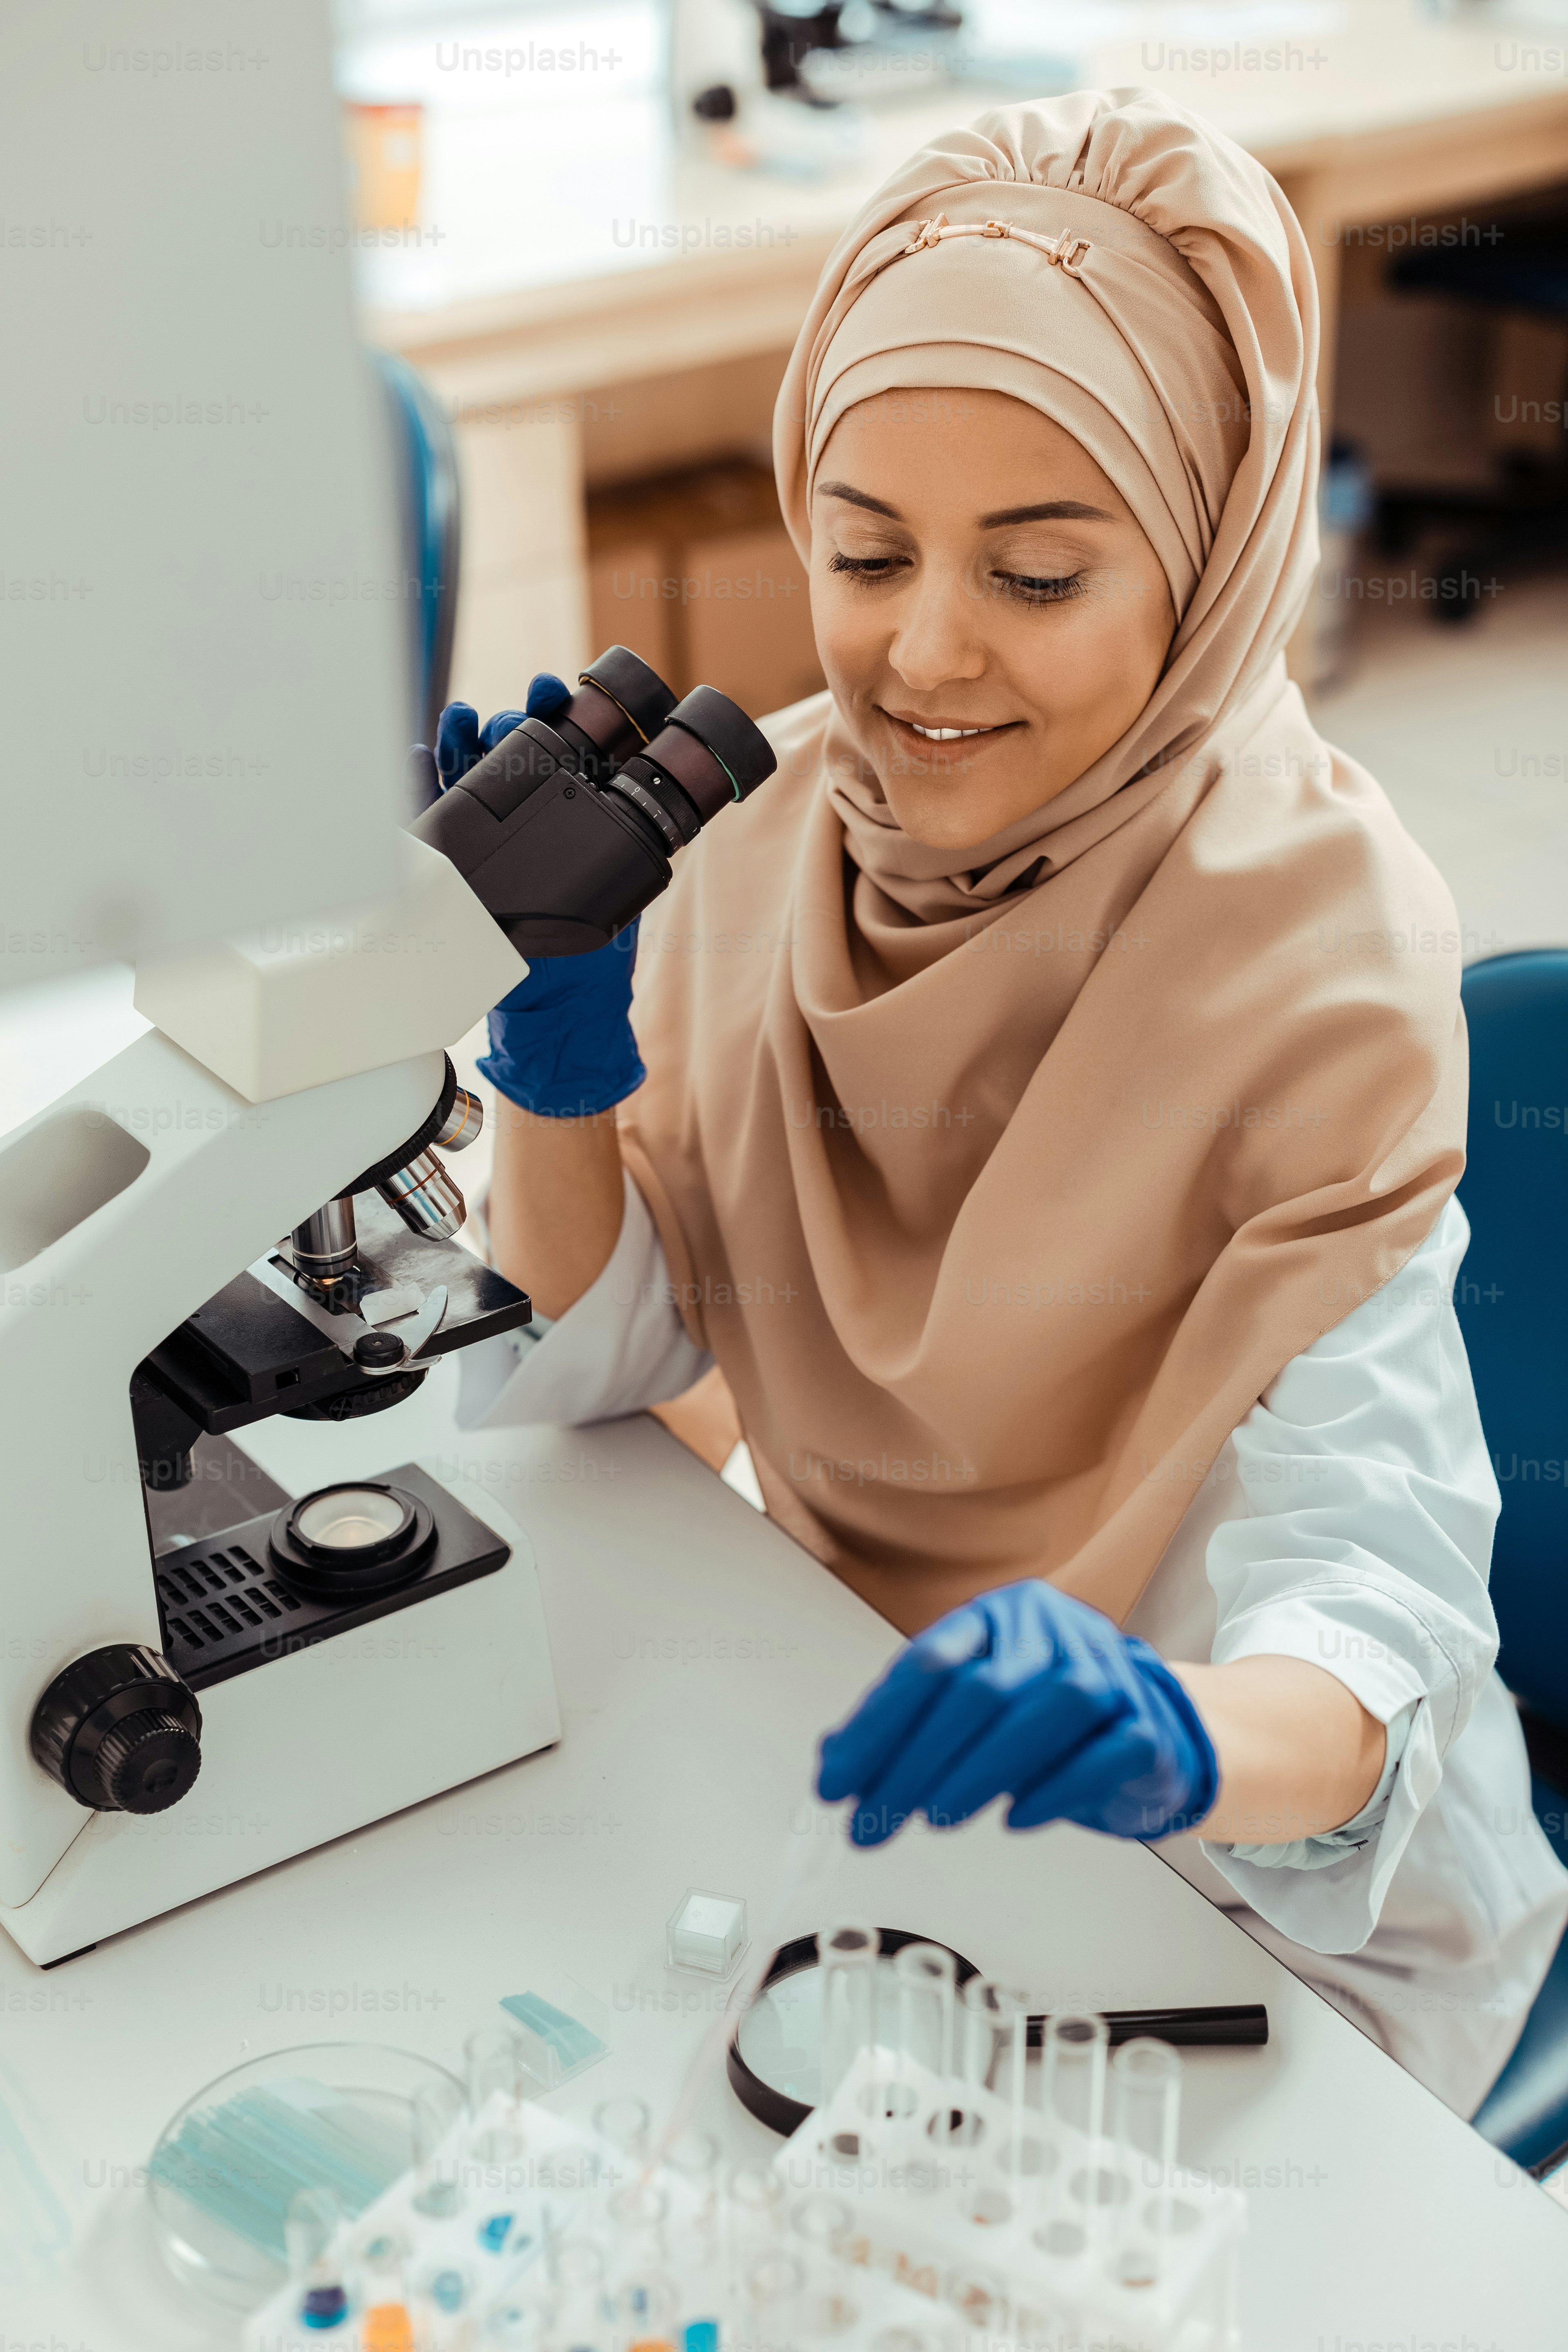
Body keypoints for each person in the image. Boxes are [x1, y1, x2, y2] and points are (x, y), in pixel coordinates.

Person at [444, 89, 1568, 2118]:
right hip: (869, 1737)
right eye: (865, 555)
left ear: (1208, 570)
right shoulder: (761, 838)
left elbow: (1371, 1606)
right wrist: (562, 1045)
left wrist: (1175, 1731)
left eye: (1039, 578)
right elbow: (598, 1366)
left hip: (1271, 1885)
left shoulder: (1315, 945)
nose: (921, 654)